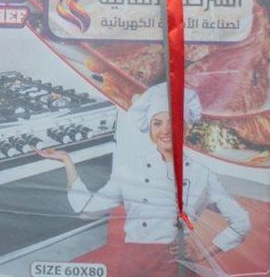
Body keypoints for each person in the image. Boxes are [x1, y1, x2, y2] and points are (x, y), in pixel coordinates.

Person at [37, 84, 250, 269]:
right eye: (157, 123)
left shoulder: (202, 174)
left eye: (173, 122)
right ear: (149, 127)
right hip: (132, 263)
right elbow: (87, 210)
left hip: (173, 265)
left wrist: (201, 254)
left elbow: (242, 222)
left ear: (186, 127)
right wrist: (67, 160)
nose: (165, 130)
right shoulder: (131, 170)